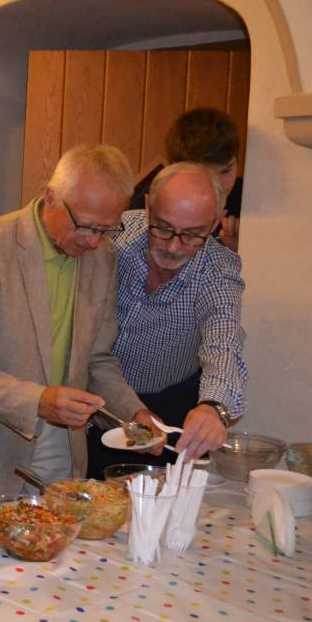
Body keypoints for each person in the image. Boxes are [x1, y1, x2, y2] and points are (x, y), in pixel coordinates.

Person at [0, 144, 155, 499]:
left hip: (67, 445)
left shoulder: (103, 257)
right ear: (51, 198)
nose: (93, 241)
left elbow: (98, 360)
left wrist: (134, 414)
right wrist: (38, 400)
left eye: (106, 229)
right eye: (86, 226)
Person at [87, 163, 246, 473]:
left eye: (192, 235)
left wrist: (213, 408)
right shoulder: (112, 238)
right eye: (162, 227)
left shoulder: (218, 270)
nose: (173, 246)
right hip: (93, 395)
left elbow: (224, 341)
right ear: (147, 206)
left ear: (215, 223)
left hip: (167, 406)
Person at [130, 107, 243, 252]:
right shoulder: (153, 202)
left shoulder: (246, 199)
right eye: (206, 177)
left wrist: (243, 250)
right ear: (175, 168)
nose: (219, 186)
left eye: (226, 171)